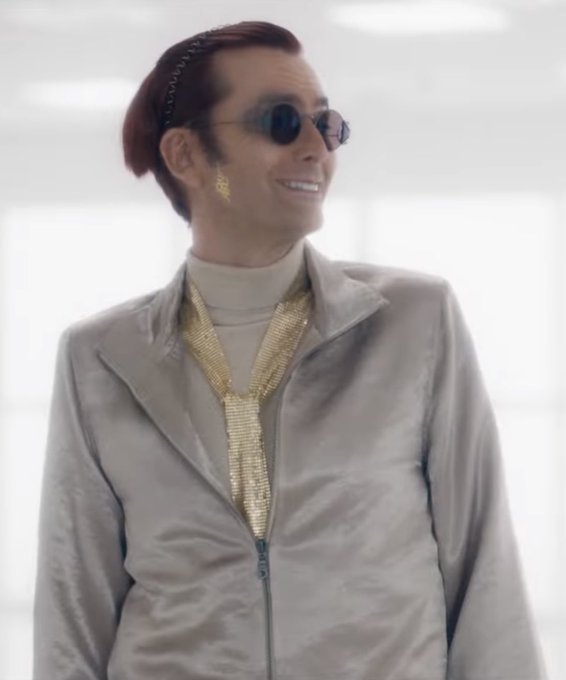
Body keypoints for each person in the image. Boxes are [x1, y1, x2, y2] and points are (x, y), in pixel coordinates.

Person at [32, 20, 548, 680]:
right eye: (280, 122)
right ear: (186, 155)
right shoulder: (101, 358)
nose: (315, 149)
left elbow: (484, 578)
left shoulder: (413, 324)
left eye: (327, 125)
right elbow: (73, 615)